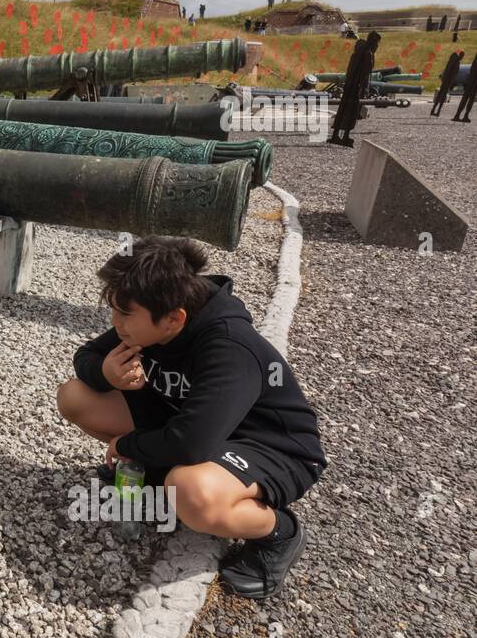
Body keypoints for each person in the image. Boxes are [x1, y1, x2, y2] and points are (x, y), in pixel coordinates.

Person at [56, 236, 325, 599]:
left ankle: (279, 532)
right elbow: (87, 355)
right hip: (192, 425)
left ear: (174, 320)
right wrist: (106, 373)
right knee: (75, 396)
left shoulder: (229, 346)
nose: (115, 322)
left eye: (124, 313)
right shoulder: (151, 318)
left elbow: (190, 442)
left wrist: (127, 445)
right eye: (114, 309)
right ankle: (156, 476)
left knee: (190, 492)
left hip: (271, 446)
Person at [432, 51, 463, 116]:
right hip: (448, 82)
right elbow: (454, 75)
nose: (462, 57)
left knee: (440, 95)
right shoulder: (457, 63)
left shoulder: (452, 61)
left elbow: (449, 71)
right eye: (462, 56)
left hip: (445, 81)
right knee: (442, 96)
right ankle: (437, 111)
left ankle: (434, 110)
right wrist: (451, 83)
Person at [453, 55, 477, 122]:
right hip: (475, 83)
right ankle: (465, 116)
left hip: (469, 82)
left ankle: (457, 115)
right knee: (471, 99)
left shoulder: (474, 61)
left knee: (464, 98)